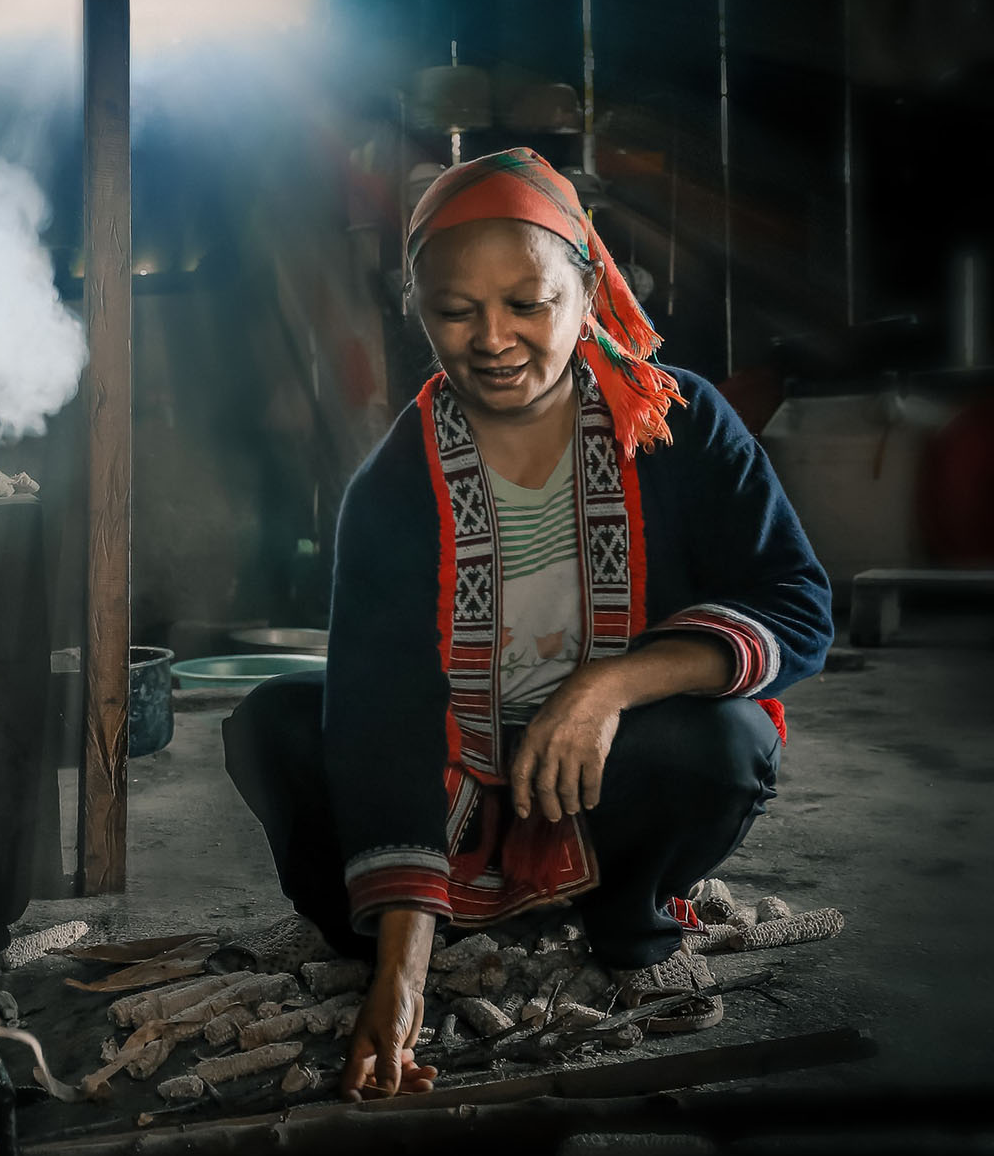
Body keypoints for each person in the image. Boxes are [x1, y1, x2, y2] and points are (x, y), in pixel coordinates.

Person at [221, 148, 832, 1102]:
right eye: (455, 311)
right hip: (451, 781)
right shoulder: (394, 484)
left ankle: (627, 916)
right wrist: (402, 977)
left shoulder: (679, 424)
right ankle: (416, 920)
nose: (492, 338)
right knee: (279, 723)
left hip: (603, 777)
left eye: (528, 304)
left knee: (725, 739)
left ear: (587, 287)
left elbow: (798, 605)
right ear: (417, 307)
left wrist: (607, 687)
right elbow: (381, 716)